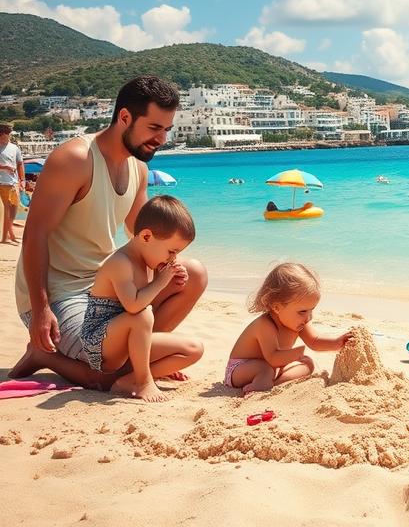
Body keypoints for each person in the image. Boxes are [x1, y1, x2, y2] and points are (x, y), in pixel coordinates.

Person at [10, 75, 208, 390]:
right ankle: (43, 354)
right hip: (61, 295)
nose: (161, 139)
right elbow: (35, 235)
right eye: (154, 128)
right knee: (104, 380)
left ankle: (139, 357)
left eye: (166, 130)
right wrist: (41, 310)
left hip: (106, 285)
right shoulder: (75, 160)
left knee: (194, 273)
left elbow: (140, 235)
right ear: (124, 118)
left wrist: (163, 267)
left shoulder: (138, 170)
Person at [80, 195, 203, 401]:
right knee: (143, 315)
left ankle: (130, 379)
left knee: (194, 349)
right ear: (146, 237)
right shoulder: (120, 262)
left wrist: (172, 280)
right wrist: (161, 281)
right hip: (100, 344)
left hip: (130, 339)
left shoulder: (149, 261)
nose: (173, 258)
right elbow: (134, 306)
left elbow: (147, 301)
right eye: (171, 251)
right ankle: (144, 381)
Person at [225, 262, 354, 395]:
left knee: (308, 363)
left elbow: (315, 342)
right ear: (277, 307)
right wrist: (295, 354)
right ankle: (256, 390)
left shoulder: (299, 323)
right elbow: (272, 358)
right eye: (302, 311)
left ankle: (274, 384)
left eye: (311, 310)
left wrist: (337, 343)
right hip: (240, 369)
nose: (308, 317)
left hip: (271, 368)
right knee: (265, 369)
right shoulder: (265, 325)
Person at [0, 123, 25, 244]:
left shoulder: (14, 148)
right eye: (7, 133)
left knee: (14, 209)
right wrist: (4, 167)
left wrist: (22, 180)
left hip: (13, 182)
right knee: (7, 210)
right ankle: (5, 237)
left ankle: (10, 234)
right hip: (2, 182)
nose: (9, 136)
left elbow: (20, 163)